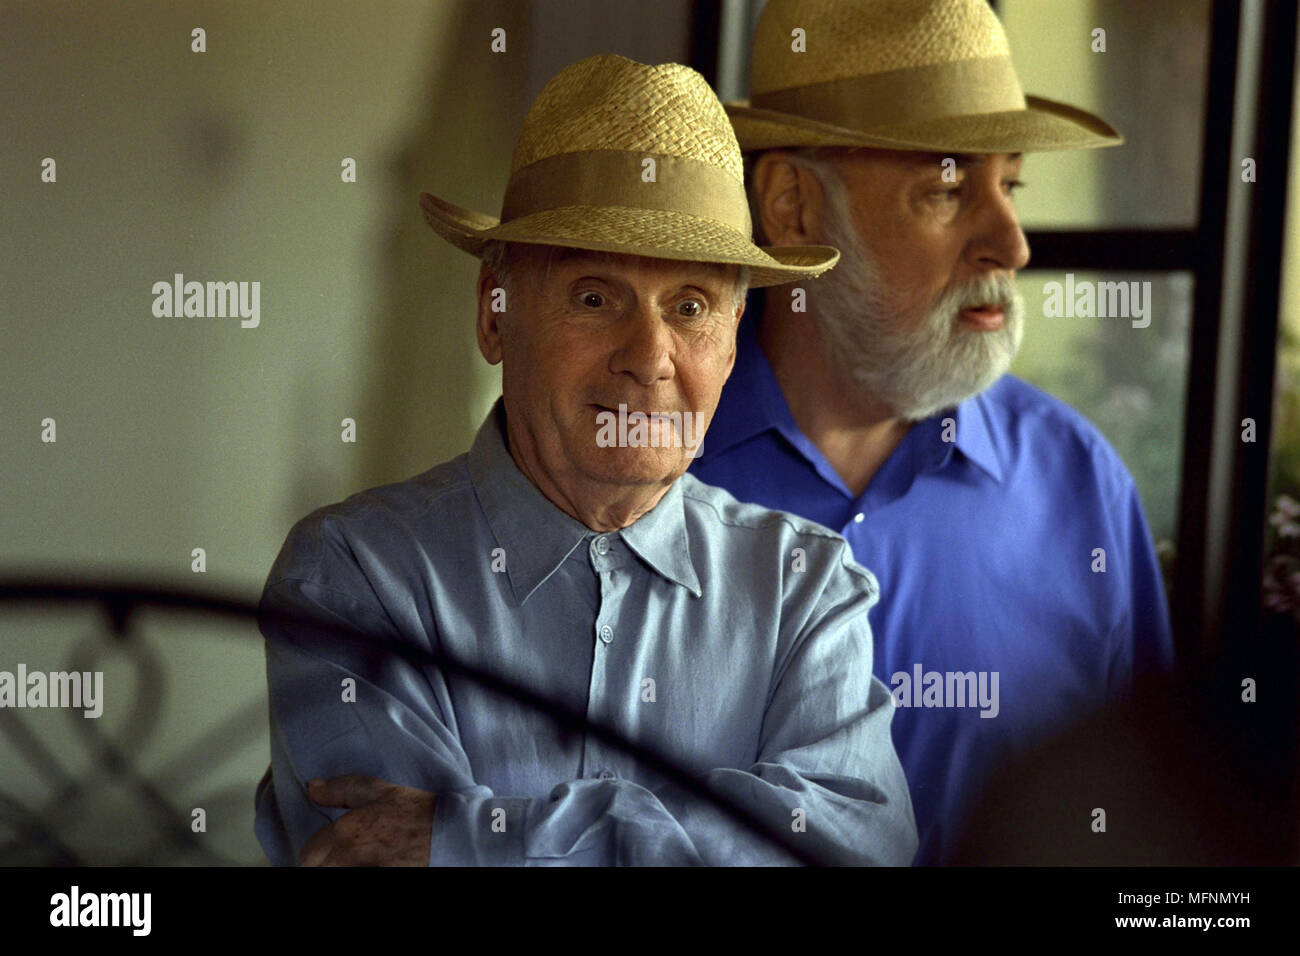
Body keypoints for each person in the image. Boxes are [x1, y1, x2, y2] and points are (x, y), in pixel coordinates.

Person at [253, 53, 918, 866]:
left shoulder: (804, 587)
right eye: (595, 297)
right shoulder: (353, 574)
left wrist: (474, 838)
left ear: (734, 339)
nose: (650, 356)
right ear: (495, 319)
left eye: (692, 306)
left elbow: (855, 848)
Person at [690, 0, 1175, 864]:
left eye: (1010, 185)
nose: (1011, 243)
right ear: (794, 209)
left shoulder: (1079, 484)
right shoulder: (647, 475)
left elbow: (1153, 838)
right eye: (950, 188)